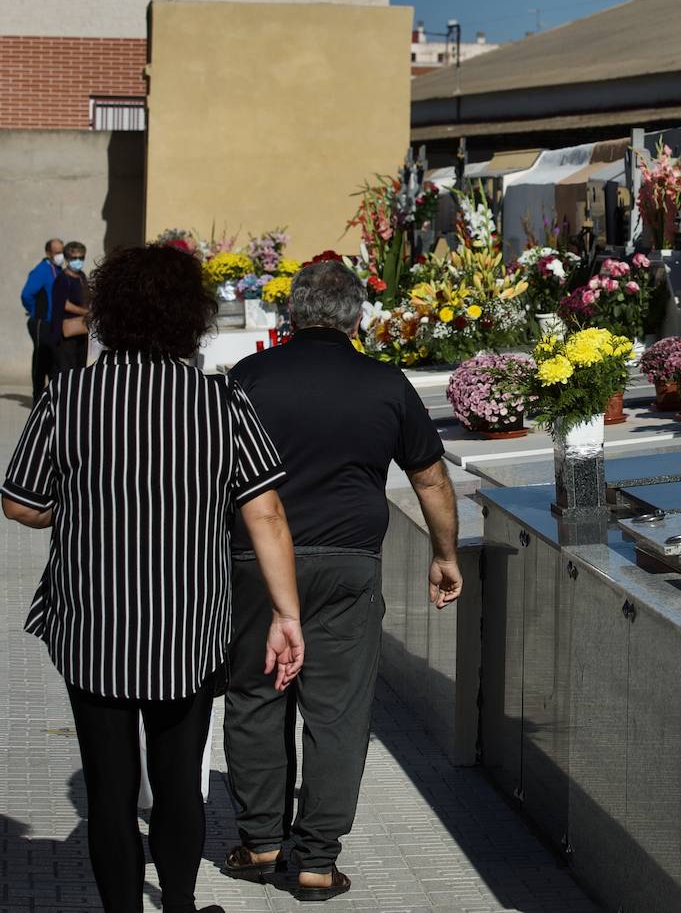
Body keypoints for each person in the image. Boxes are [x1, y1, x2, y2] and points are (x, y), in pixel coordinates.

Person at [1, 244, 306, 913]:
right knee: (176, 785)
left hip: (91, 622)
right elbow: (267, 512)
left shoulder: (67, 396)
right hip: (187, 625)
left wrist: (71, 508)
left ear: (112, 313)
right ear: (188, 319)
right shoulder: (218, 402)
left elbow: (19, 501)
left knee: (110, 793)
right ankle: (176, 906)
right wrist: (287, 615)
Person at [222, 259, 461, 901]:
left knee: (256, 693)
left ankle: (261, 841)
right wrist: (445, 554)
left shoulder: (247, 378)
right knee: (338, 709)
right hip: (350, 564)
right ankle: (315, 861)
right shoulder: (384, 383)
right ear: (358, 319)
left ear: (291, 314)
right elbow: (431, 478)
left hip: (254, 564)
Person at [20, 237, 63, 401]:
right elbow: (26, 294)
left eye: (61, 251)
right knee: (40, 360)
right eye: (57, 252)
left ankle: (51, 397)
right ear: (48, 253)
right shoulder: (42, 270)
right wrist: (35, 311)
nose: (61, 255)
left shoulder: (57, 269)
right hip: (41, 323)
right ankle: (37, 397)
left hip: (53, 323)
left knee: (53, 360)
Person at [49, 240, 91, 375]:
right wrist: (85, 311)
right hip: (66, 332)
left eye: (81, 257)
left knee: (80, 367)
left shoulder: (82, 276)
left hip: (81, 329)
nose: (78, 261)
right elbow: (63, 304)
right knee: (67, 369)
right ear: (67, 259)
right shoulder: (62, 279)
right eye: (74, 258)